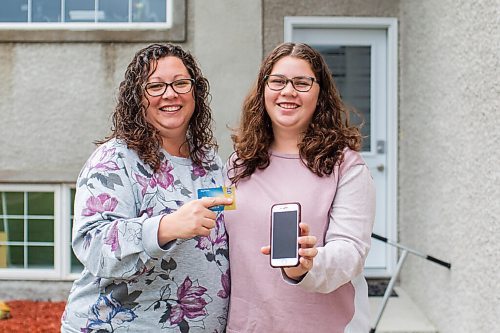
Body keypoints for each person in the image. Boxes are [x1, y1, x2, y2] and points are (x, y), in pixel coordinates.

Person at [61, 43, 232, 333]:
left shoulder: (210, 162)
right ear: (138, 98)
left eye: (181, 83)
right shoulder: (115, 159)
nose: (170, 93)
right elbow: (93, 243)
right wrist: (166, 227)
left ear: (195, 92)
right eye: (155, 86)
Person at [224, 42, 376, 332]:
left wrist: (307, 265)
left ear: (320, 94)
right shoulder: (239, 163)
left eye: (302, 82)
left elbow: (350, 251)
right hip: (248, 326)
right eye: (278, 81)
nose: (288, 91)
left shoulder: (346, 166)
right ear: (263, 90)